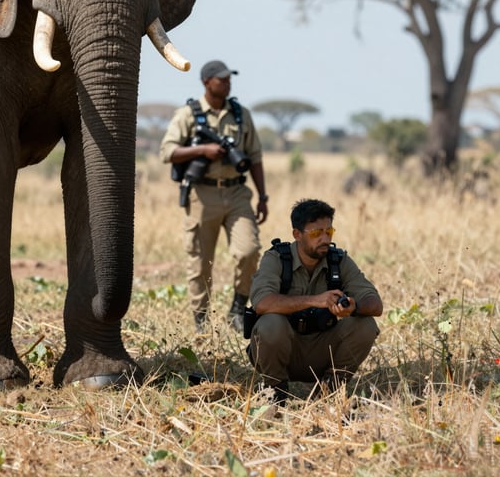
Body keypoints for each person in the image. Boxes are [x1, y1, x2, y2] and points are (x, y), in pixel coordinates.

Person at [160, 59, 268, 333]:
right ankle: (201, 323)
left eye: (229, 79)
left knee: (249, 251)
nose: (227, 83)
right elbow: (167, 151)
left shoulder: (241, 114)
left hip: (236, 193)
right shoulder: (188, 114)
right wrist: (202, 151)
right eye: (222, 79)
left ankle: (238, 308)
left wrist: (263, 196)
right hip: (201, 194)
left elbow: (254, 157)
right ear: (206, 82)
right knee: (200, 263)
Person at [248, 198, 382, 402]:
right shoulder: (275, 259)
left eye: (329, 231)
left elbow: (375, 304)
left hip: (321, 350)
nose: (325, 238)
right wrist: (314, 301)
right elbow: (262, 303)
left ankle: (329, 390)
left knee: (365, 325)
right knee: (270, 323)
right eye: (316, 233)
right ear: (297, 234)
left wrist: (354, 307)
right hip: (282, 350)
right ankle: (274, 391)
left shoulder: (338, 260)